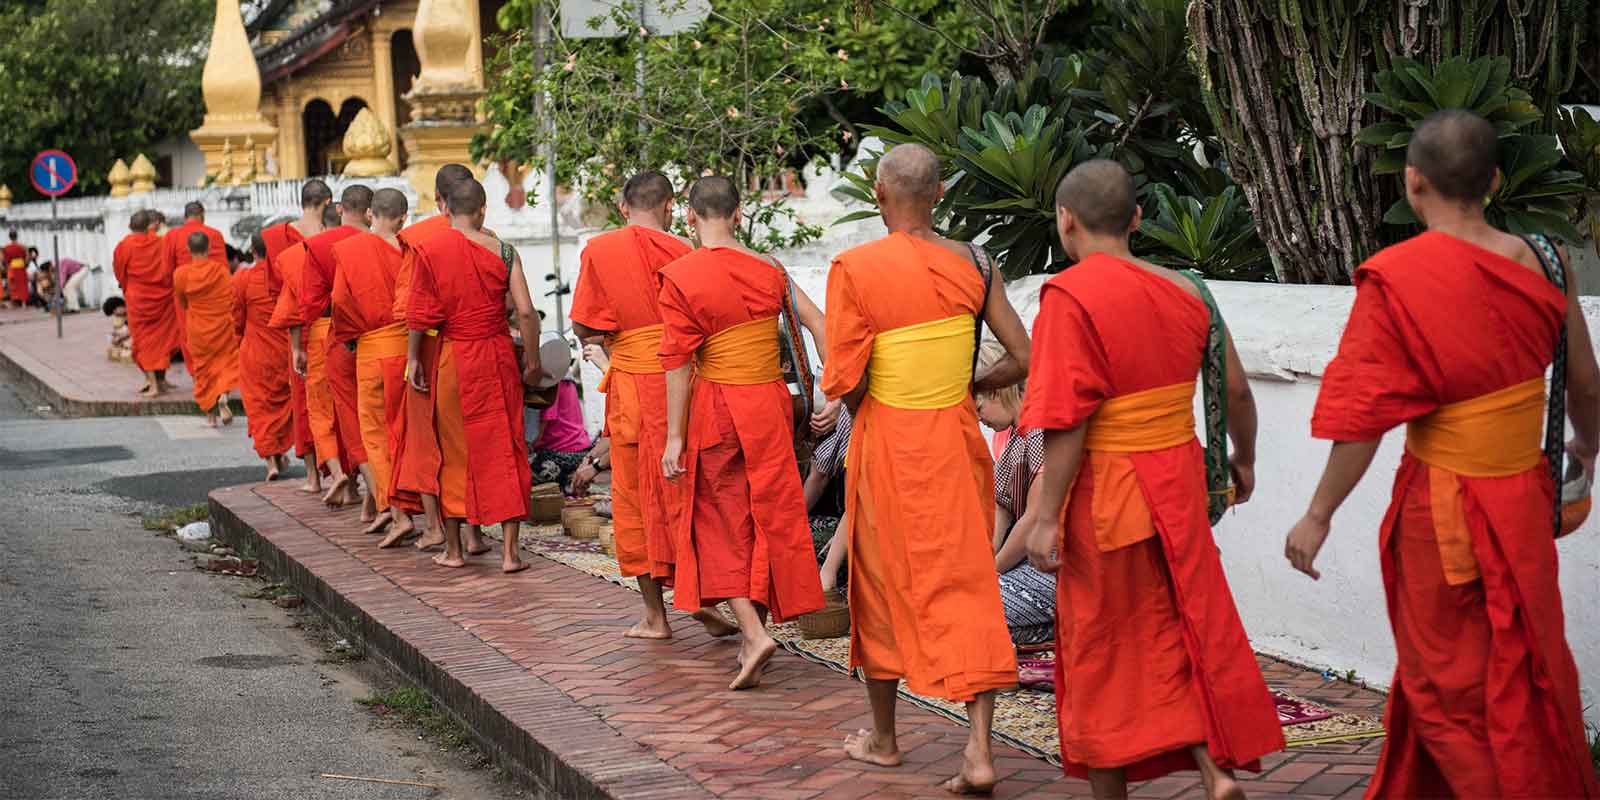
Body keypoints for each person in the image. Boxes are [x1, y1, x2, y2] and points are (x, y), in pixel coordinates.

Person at [1285, 110, 1600, 799]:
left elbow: (1364, 417)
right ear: (1493, 180)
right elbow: (1584, 384)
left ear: (1412, 182)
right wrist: (1587, 453)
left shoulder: (1397, 277)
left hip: (1442, 509)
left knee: (1446, 686)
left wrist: (1318, 513)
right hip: (1522, 501)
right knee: (1525, 668)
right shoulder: (1546, 262)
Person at [1017, 159, 1280, 800]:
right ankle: (1214, 768)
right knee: (1181, 622)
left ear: (1065, 220)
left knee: (1102, 642)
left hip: (1106, 490)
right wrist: (1243, 459)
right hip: (1179, 478)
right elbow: (1237, 390)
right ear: (1136, 219)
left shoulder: (1070, 295)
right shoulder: (1190, 290)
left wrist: (1046, 514)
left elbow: (1068, 419)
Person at [819, 143, 1031, 794]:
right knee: (966, 581)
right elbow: (1023, 356)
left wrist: (887, 398)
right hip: (955, 440)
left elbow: (846, 377)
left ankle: (884, 741)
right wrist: (964, 384)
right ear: (939, 195)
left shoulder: (854, 267)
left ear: (880, 195)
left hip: (888, 444)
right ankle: (977, 751)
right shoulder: (976, 262)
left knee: (878, 583)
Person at [657, 175, 827, 689]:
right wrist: (833, 394)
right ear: (738, 213)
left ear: (689, 216)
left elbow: (678, 362)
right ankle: (759, 625)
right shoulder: (770, 269)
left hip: (719, 408)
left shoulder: (681, 276)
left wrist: (673, 437)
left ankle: (753, 634)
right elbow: (820, 323)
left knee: (717, 518)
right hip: (770, 404)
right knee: (769, 511)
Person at [570, 170, 716, 639]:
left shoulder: (599, 250)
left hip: (633, 385)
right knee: (687, 495)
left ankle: (656, 617)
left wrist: (616, 346)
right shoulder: (687, 253)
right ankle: (700, 596)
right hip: (682, 389)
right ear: (672, 208)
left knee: (633, 503)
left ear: (622, 207)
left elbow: (583, 326)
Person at [405, 178, 539, 573]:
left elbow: (422, 313)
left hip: (452, 358)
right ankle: (511, 554)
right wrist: (531, 363)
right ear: (483, 209)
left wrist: (414, 358)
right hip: (495, 355)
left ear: (446, 208)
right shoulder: (504, 251)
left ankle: (455, 550)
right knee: (506, 446)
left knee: (451, 450)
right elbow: (527, 312)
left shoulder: (430, 250)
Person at [391, 164, 488, 556]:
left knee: (429, 442)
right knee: (476, 439)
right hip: (480, 347)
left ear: (439, 200)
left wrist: (413, 355)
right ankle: (475, 533)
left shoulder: (420, 241)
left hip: (433, 347)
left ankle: (435, 528)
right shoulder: (489, 238)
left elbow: (413, 306)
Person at [332, 187, 418, 546]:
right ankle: (425, 516)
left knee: (376, 434)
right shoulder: (412, 249)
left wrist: (353, 336)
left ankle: (397, 513)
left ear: (370, 214)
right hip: (408, 347)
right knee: (409, 432)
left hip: (371, 348)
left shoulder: (352, 251)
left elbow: (340, 300)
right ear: (403, 216)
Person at [962, 341, 1054, 649]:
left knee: (972, 613)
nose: (979, 419)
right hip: (1029, 557)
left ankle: (1056, 628)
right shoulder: (1016, 434)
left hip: (1054, 559)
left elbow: (1034, 518)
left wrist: (993, 570)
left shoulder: (1040, 428)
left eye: (979, 409)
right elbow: (1002, 506)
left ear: (998, 391)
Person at [301, 186, 374, 511]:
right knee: (373, 414)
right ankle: (373, 490)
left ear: (342, 207)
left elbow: (309, 302)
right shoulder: (385, 244)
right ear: (371, 211)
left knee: (333, 411)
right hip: (379, 334)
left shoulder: (316, 246)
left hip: (331, 332)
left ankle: (344, 476)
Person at [264, 181, 333, 490]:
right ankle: (346, 473)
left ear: (301, 200)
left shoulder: (279, 236)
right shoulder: (334, 236)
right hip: (333, 324)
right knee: (338, 401)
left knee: (304, 402)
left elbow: (274, 289)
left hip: (299, 327)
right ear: (329, 201)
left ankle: (313, 477)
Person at [232, 234, 294, 481]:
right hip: (283, 349)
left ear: (252, 251)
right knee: (282, 404)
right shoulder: (284, 277)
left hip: (256, 351)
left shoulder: (242, 279)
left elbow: (237, 316)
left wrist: (239, 338)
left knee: (259, 407)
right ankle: (279, 452)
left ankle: (271, 462)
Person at [173, 231, 241, 428]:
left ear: (188, 250)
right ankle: (223, 396)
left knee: (203, 372)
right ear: (209, 249)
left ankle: (211, 418)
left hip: (198, 329)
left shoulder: (181, 274)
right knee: (226, 364)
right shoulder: (221, 271)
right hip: (221, 326)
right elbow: (230, 297)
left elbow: (183, 301)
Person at [112, 211, 180, 396]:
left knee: (144, 343)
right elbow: (170, 268)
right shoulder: (161, 243)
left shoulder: (124, 246)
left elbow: (119, 272)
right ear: (148, 226)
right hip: (163, 299)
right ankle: (160, 380)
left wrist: (128, 288)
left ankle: (155, 384)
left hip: (138, 300)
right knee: (162, 341)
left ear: (130, 226)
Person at [162, 203, 226, 366]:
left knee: (189, 337)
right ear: (202, 215)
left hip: (186, 296)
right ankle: (217, 381)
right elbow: (224, 270)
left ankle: (199, 377)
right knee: (217, 338)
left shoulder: (172, 236)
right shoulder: (215, 234)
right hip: (214, 298)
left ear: (185, 216)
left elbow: (167, 271)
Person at [527, 334, 594, 492]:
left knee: (521, 476)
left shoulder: (551, 383)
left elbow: (538, 434)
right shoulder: (564, 375)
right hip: (580, 449)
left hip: (563, 453)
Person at [104, 296, 133, 363]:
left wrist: (120, 338)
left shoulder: (132, 311)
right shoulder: (125, 314)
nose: (115, 315)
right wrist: (117, 334)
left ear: (119, 307)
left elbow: (134, 330)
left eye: (114, 312)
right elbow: (127, 328)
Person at [5, 232, 28, 308]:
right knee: (23, 284)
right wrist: (25, 264)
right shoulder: (23, 246)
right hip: (21, 266)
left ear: (9, 237)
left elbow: (6, 259)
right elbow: (26, 258)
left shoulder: (7, 247)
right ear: (17, 236)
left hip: (13, 266)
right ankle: (23, 303)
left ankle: (14, 303)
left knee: (13, 284)